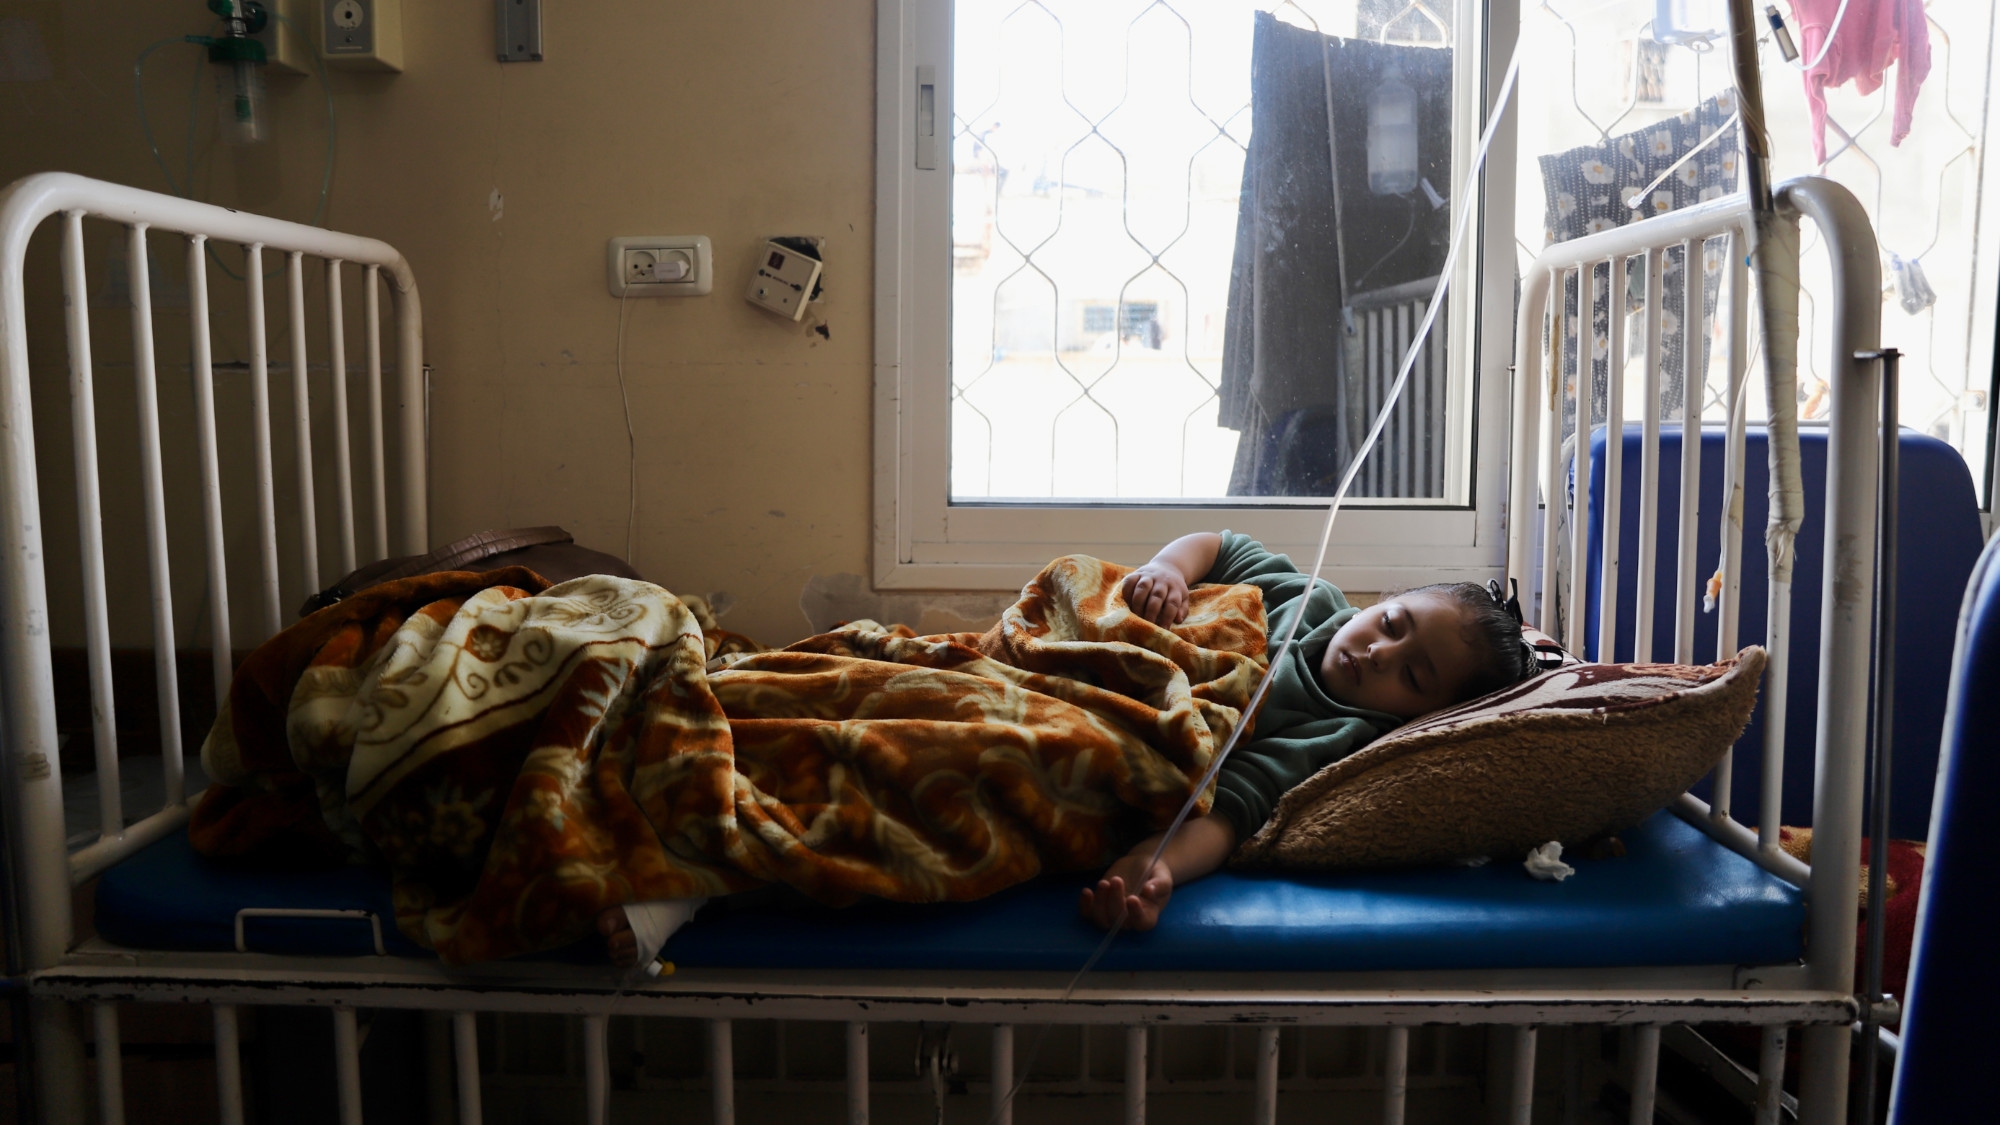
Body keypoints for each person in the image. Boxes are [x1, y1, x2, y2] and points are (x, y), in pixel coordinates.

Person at [1076, 530, 1535, 932]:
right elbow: (1223, 546)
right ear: (1380, 603)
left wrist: (1154, 865)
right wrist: (1168, 568)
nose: (1380, 652)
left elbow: (1230, 813)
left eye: (1412, 677)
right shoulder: (1309, 600)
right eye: (1391, 624)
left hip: (1102, 728)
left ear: (1421, 717)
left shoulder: (1333, 736)